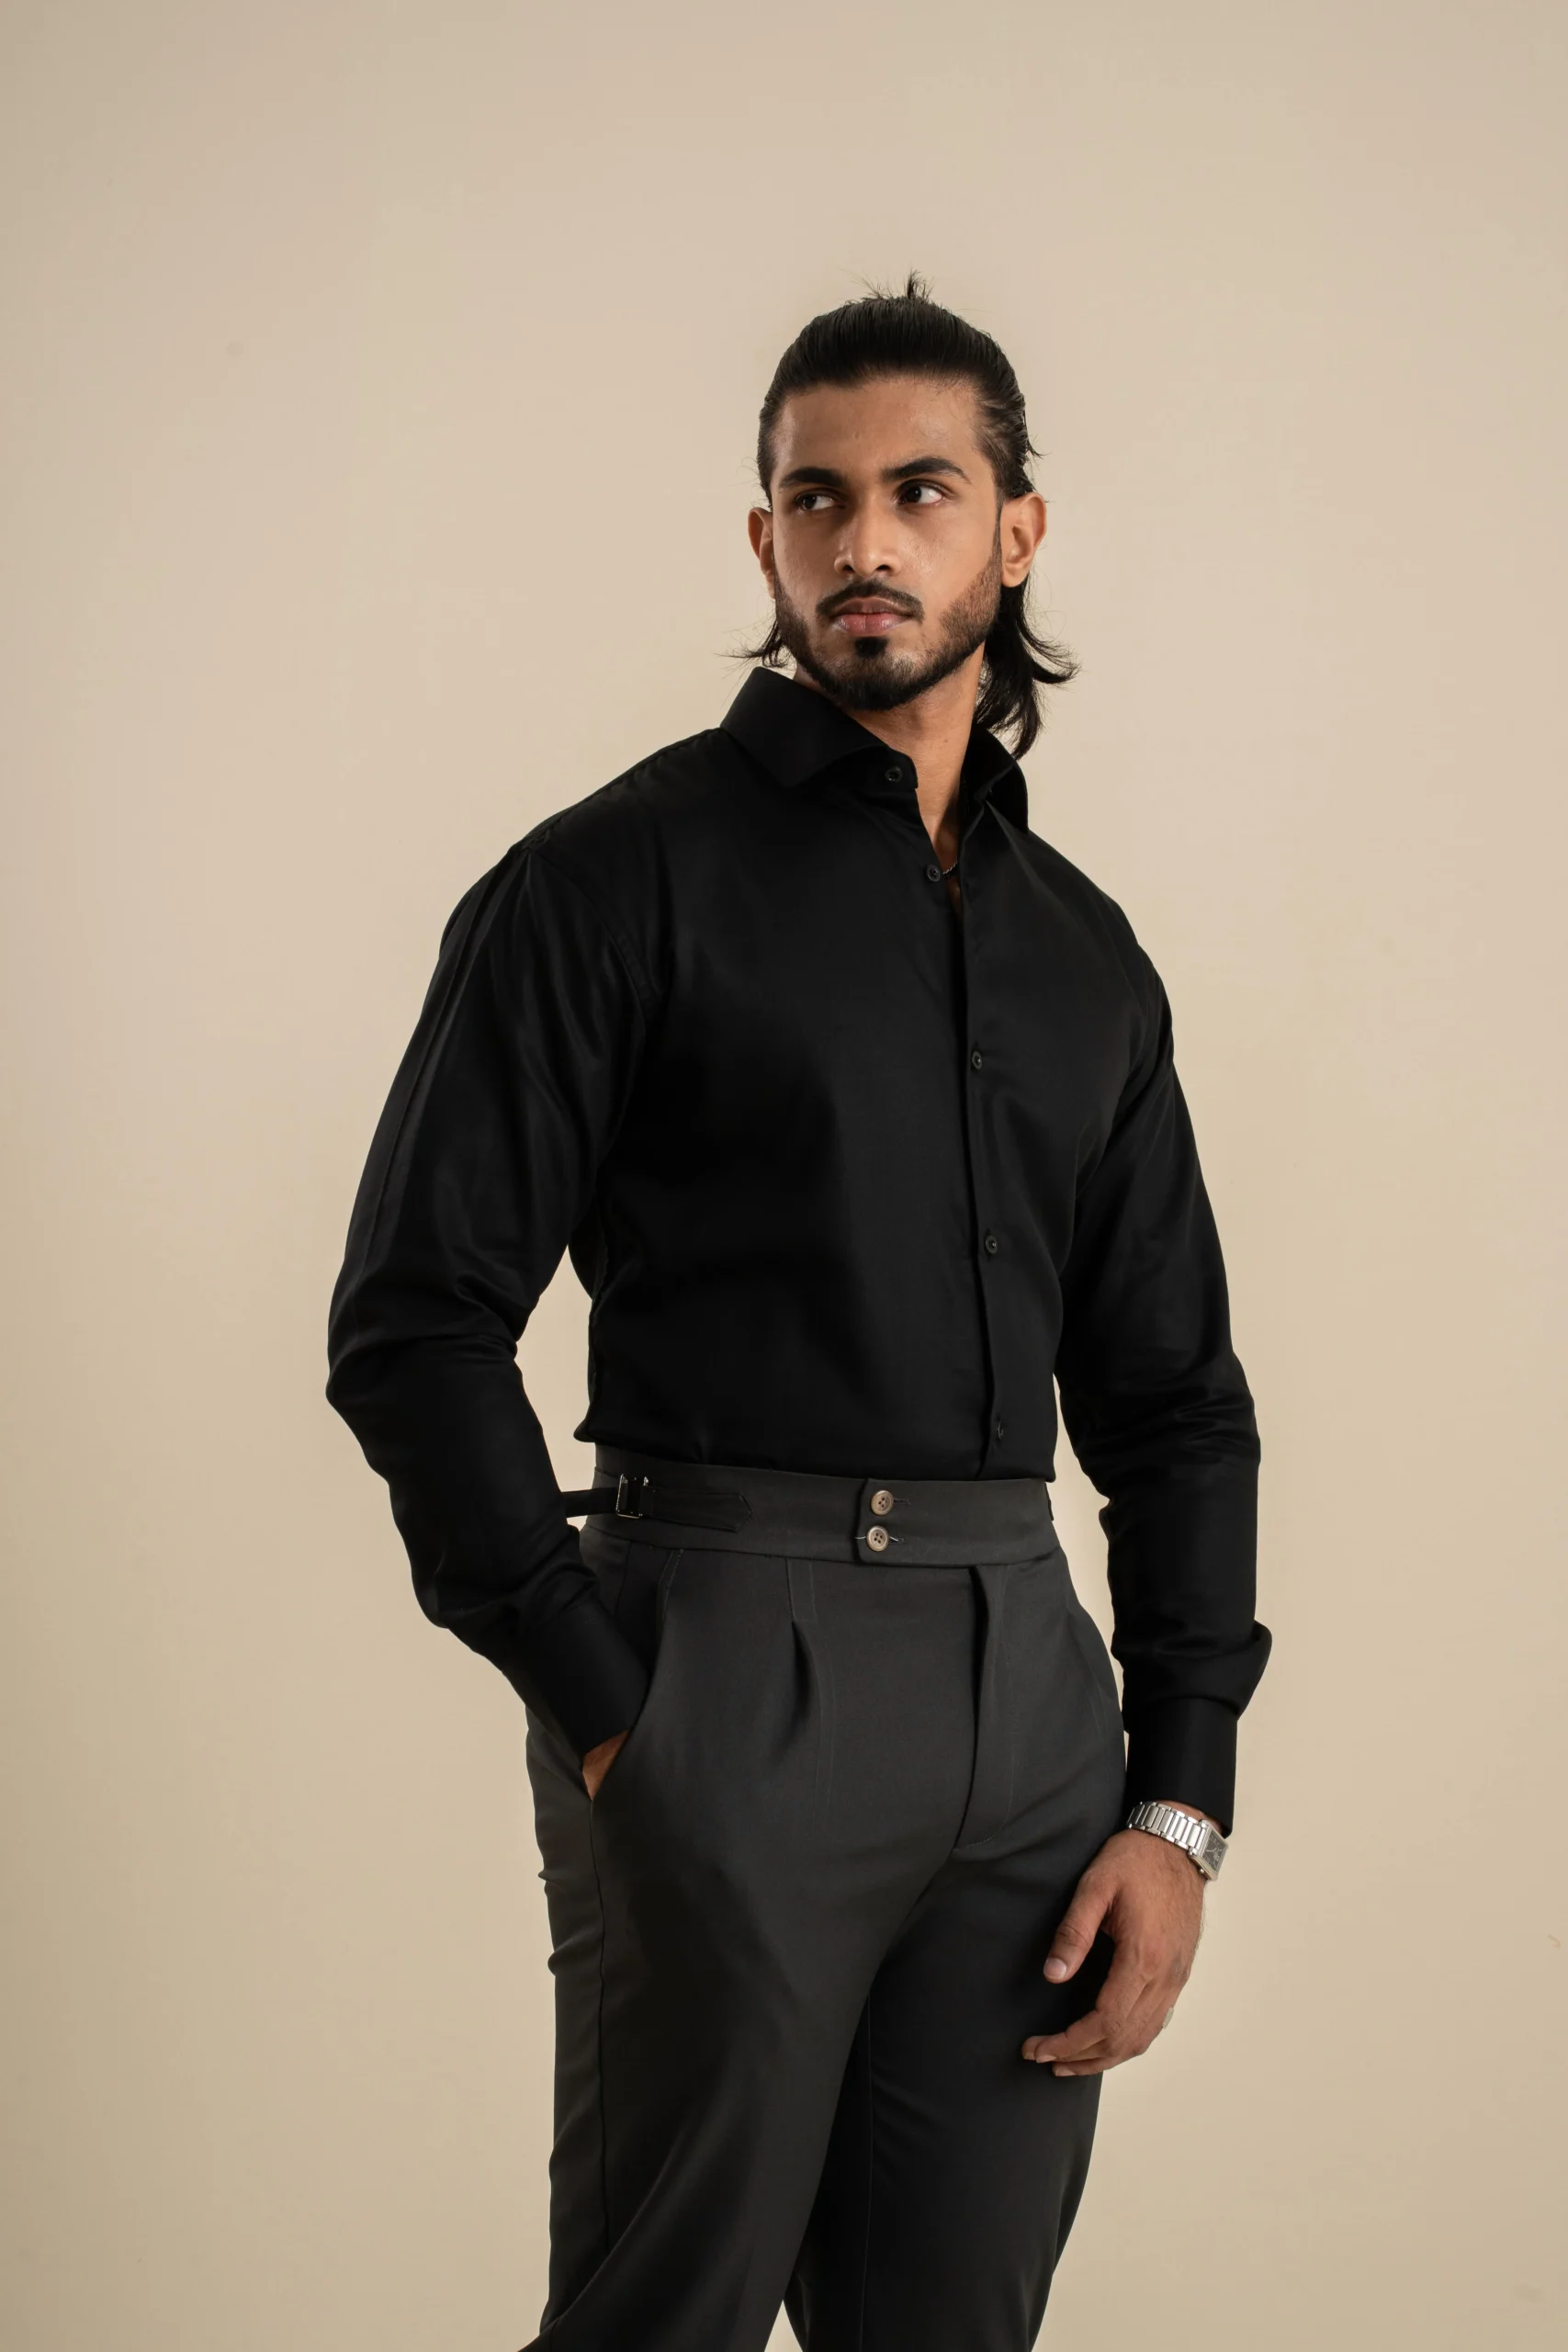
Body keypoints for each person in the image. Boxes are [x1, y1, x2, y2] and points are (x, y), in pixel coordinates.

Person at [326, 275, 1269, 2352]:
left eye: (918, 491)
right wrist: (605, 1705)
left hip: (1027, 1697)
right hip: (720, 1668)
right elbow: (413, 1318)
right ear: (764, 538)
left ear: (1014, 530)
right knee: (658, 2313)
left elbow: (1175, 1402)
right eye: (815, 499)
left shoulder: (1085, 958)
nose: (864, 541)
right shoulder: (610, 881)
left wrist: (1174, 1797)